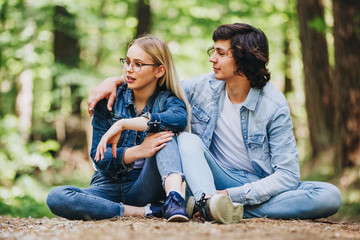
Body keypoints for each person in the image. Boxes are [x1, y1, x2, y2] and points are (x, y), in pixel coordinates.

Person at [87, 23, 342, 221]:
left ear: (242, 59)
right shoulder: (203, 87)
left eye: (220, 53)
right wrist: (116, 80)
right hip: (209, 178)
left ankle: (212, 207)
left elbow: (287, 176)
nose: (212, 59)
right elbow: (155, 82)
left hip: (252, 185)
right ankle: (208, 202)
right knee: (187, 139)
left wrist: (229, 196)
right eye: (213, 51)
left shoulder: (273, 105)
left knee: (329, 196)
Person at [47, 35, 192, 222]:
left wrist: (123, 123)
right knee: (57, 197)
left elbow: (179, 119)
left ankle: (174, 200)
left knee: (164, 136)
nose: (129, 69)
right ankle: (147, 211)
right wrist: (139, 151)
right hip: (107, 185)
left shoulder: (168, 101)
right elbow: (100, 158)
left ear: (159, 70)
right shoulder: (108, 102)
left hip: (143, 186)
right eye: (127, 62)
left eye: (138, 64)